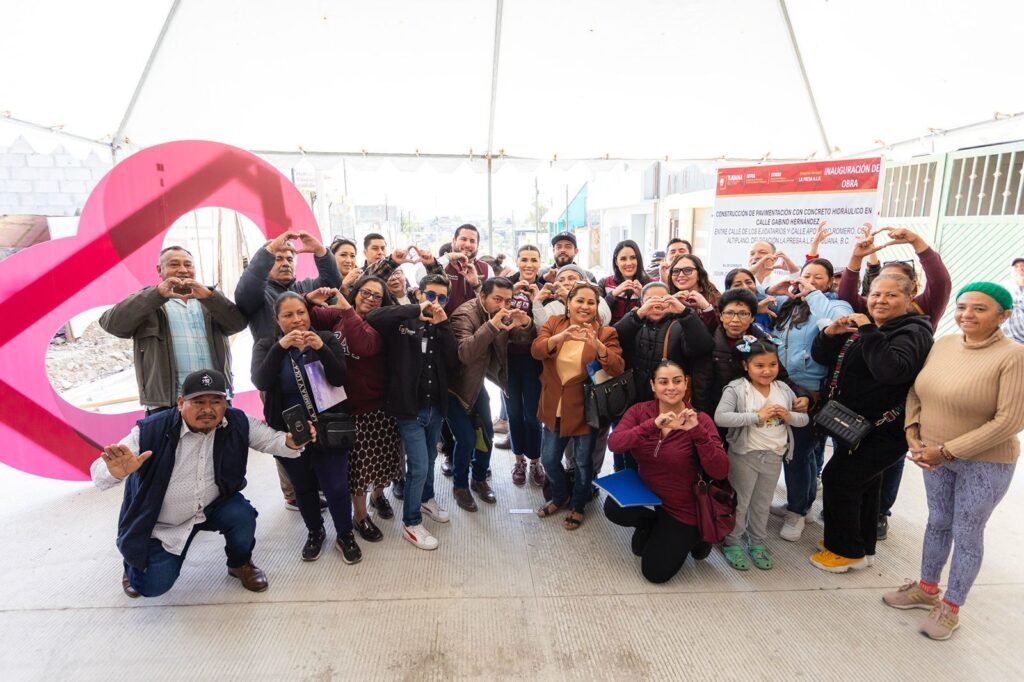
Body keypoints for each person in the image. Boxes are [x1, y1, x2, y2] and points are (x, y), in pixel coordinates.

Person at [883, 282, 1024, 640]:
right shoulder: (944, 343)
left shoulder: (1013, 356)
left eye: (979, 308)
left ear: (1004, 316)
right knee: (938, 521)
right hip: (933, 454)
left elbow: (1010, 421)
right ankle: (927, 589)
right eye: (962, 307)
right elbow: (917, 390)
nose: (967, 314)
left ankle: (952, 607)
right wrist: (912, 431)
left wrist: (946, 451)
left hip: (985, 462)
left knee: (966, 531)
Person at [91, 369, 308, 598]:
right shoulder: (150, 430)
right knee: (152, 587)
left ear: (225, 403)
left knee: (242, 515)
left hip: (212, 505)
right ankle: (133, 565)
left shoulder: (237, 422)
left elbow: (271, 440)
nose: (208, 409)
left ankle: (240, 563)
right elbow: (98, 473)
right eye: (198, 402)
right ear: (180, 403)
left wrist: (291, 442)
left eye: (216, 401)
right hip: (163, 522)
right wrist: (114, 472)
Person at [809, 274, 933, 573]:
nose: (880, 301)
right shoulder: (871, 328)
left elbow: (891, 371)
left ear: (909, 298)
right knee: (864, 485)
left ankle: (845, 551)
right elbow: (823, 358)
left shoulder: (912, 331)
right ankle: (862, 546)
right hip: (854, 426)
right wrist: (830, 334)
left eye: (891, 295)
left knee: (839, 478)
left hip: (881, 430)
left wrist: (867, 330)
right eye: (876, 294)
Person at [838, 226, 951, 540]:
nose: (884, 298)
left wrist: (916, 241)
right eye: (879, 290)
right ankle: (859, 519)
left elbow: (941, 281)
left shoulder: (920, 314)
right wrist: (855, 259)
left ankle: (879, 514)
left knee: (887, 465)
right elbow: (847, 299)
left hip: (896, 408)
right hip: (862, 408)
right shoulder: (872, 312)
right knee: (858, 473)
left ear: (911, 291)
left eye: (895, 289)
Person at [251, 292, 362, 564]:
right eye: (288, 315)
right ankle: (315, 531)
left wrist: (322, 349)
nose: (297, 319)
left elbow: (340, 377)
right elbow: (261, 381)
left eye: (301, 312)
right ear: (278, 320)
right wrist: (281, 347)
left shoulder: (326, 338)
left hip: (329, 428)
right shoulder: (267, 345)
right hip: (290, 432)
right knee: (303, 486)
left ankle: (345, 534)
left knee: (336, 486)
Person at [604, 361, 728, 583]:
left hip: (682, 506)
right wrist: (651, 425)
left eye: (677, 381)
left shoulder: (700, 419)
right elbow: (615, 443)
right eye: (663, 382)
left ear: (686, 383)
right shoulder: (640, 412)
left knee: (655, 573)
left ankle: (698, 536)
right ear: (653, 385)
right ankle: (652, 525)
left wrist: (697, 432)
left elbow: (720, 470)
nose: (671, 387)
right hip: (647, 494)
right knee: (614, 507)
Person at [307, 276, 403, 542]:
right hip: (344, 406)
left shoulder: (380, 323)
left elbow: (364, 345)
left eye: (376, 296)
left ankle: (379, 495)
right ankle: (360, 516)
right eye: (365, 292)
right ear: (356, 292)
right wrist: (309, 299)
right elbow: (308, 314)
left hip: (376, 404)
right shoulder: (338, 315)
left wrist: (349, 311)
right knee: (359, 468)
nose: (370, 299)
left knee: (382, 459)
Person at [366, 274, 458, 550]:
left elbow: (453, 361)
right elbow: (373, 317)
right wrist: (417, 309)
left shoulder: (442, 325)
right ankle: (411, 522)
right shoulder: (403, 320)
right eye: (430, 295)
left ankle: (426, 499)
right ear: (419, 293)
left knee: (430, 457)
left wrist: (444, 326)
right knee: (417, 466)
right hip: (408, 409)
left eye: (442, 298)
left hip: (435, 407)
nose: (436, 302)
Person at [764, 258, 853, 542]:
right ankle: (802, 503)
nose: (810, 281)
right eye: (806, 276)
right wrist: (772, 289)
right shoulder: (790, 305)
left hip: (812, 390)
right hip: (783, 385)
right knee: (800, 451)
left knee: (799, 453)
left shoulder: (833, 303)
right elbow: (746, 300)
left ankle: (798, 512)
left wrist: (813, 294)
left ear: (829, 282)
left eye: (818, 277)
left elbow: (838, 320)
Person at [99, 246, 247, 414]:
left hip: (214, 397)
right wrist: (156, 295)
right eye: (174, 264)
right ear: (159, 270)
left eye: (188, 265)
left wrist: (210, 297)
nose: (183, 270)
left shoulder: (209, 299)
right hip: (167, 404)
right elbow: (112, 325)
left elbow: (237, 324)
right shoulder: (148, 302)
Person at [532, 281, 624, 530]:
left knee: (583, 464)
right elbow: (537, 350)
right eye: (579, 301)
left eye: (591, 302)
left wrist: (598, 346)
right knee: (549, 460)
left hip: (585, 410)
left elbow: (617, 367)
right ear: (568, 303)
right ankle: (560, 496)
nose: (585, 306)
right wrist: (560, 337)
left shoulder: (605, 332)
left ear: (597, 306)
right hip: (553, 405)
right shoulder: (554, 324)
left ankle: (578, 505)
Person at [715, 340, 809, 571]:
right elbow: (721, 417)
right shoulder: (737, 389)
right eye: (759, 365)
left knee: (762, 503)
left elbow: (804, 419)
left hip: (774, 455)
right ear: (745, 365)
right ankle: (732, 542)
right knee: (740, 502)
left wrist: (789, 416)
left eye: (772, 364)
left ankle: (757, 541)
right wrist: (756, 416)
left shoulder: (783, 389)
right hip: (744, 455)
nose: (767, 371)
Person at [448, 278, 533, 510]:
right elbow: (465, 353)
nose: (503, 305)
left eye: (508, 300)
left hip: (478, 385)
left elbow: (520, 339)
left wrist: (525, 323)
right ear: (483, 296)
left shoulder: (501, 314)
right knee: (466, 439)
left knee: (486, 433)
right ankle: (459, 486)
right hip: (454, 387)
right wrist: (492, 325)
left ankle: (479, 479)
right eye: (497, 299)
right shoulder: (463, 315)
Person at [614, 280, 714, 416]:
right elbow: (616, 336)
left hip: (669, 398)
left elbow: (702, 347)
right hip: (634, 397)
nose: (657, 304)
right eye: (650, 300)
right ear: (642, 303)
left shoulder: (680, 324)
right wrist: (639, 314)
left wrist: (685, 313)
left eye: (662, 299)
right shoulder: (634, 321)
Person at [708, 288, 810, 410]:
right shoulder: (710, 344)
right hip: (722, 410)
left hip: (759, 410)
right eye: (729, 313)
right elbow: (703, 385)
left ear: (752, 317)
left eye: (743, 314)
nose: (735, 320)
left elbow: (779, 376)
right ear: (721, 316)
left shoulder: (765, 343)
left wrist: (802, 394)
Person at [234, 230, 342, 342]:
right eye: (278, 259)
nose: (286, 263)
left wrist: (320, 251)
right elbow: (245, 294)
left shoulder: (305, 287)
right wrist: (270, 250)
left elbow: (332, 285)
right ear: (267, 262)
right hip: (272, 353)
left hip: (312, 352)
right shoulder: (260, 294)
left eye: (290, 259)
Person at [505, 245, 547, 486]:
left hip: (534, 360)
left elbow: (547, 324)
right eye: (524, 260)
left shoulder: (545, 287)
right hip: (508, 359)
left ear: (540, 262)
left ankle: (535, 461)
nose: (529, 265)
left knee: (533, 414)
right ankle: (519, 459)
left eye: (533, 260)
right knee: (513, 413)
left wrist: (537, 300)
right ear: (516, 261)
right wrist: (510, 293)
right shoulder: (506, 285)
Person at [438, 224, 494, 314]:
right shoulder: (442, 263)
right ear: (454, 241)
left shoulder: (486, 268)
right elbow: (420, 278)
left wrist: (476, 285)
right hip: (443, 321)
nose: (468, 244)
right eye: (463, 239)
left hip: (475, 322)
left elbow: (491, 305)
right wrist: (447, 258)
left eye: (472, 241)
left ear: (477, 245)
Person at [533, 264, 612, 326]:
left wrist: (570, 298)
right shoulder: (552, 306)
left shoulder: (597, 299)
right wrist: (537, 302)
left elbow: (602, 320)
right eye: (561, 280)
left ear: (583, 281)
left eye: (571, 278)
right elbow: (542, 327)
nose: (566, 283)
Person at [599, 239, 651, 324]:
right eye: (623, 259)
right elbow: (598, 315)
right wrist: (613, 294)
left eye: (633, 258)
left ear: (638, 260)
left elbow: (656, 317)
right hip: (611, 331)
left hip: (641, 332)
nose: (628, 263)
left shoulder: (650, 284)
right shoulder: (604, 283)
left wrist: (643, 296)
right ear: (616, 262)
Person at [724, 267, 774, 332]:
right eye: (737, 285)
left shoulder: (767, 306)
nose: (745, 287)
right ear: (728, 290)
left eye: (749, 282)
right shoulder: (723, 312)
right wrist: (755, 311)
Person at [1000, 257, 1024, 343]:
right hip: (1006, 340)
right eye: (1016, 266)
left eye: (1023, 266)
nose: (1020, 269)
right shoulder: (1004, 286)